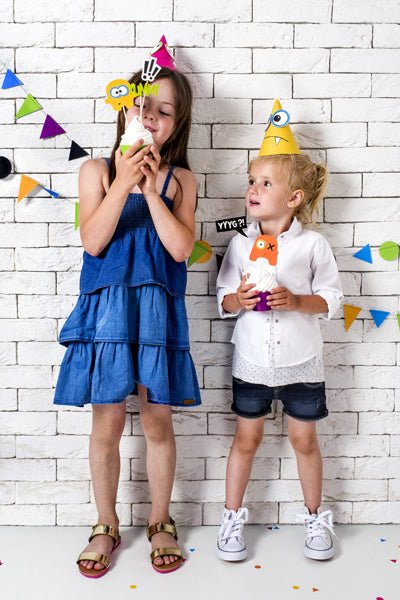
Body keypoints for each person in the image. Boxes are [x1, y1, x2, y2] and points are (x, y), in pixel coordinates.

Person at [53, 64, 201, 577]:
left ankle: (161, 520)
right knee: (108, 421)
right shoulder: (96, 171)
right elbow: (93, 241)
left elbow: (180, 249)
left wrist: (153, 189)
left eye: (165, 111)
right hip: (108, 311)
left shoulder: (181, 180)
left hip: (156, 312)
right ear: (124, 110)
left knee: (157, 420)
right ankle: (106, 523)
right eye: (142, 105)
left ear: (177, 124)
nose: (151, 116)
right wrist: (124, 180)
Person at [215, 99, 343, 563]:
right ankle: (231, 518)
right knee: (245, 440)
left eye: (266, 183)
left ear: (294, 198)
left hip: (301, 360)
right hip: (252, 358)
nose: (253, 189)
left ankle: (315, 518)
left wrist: (296, 301)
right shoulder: (240, 244)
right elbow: (223, 298)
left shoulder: (312, 244)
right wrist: (239, 299)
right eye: (252, 181)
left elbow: (331, 299)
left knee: (304, 440)